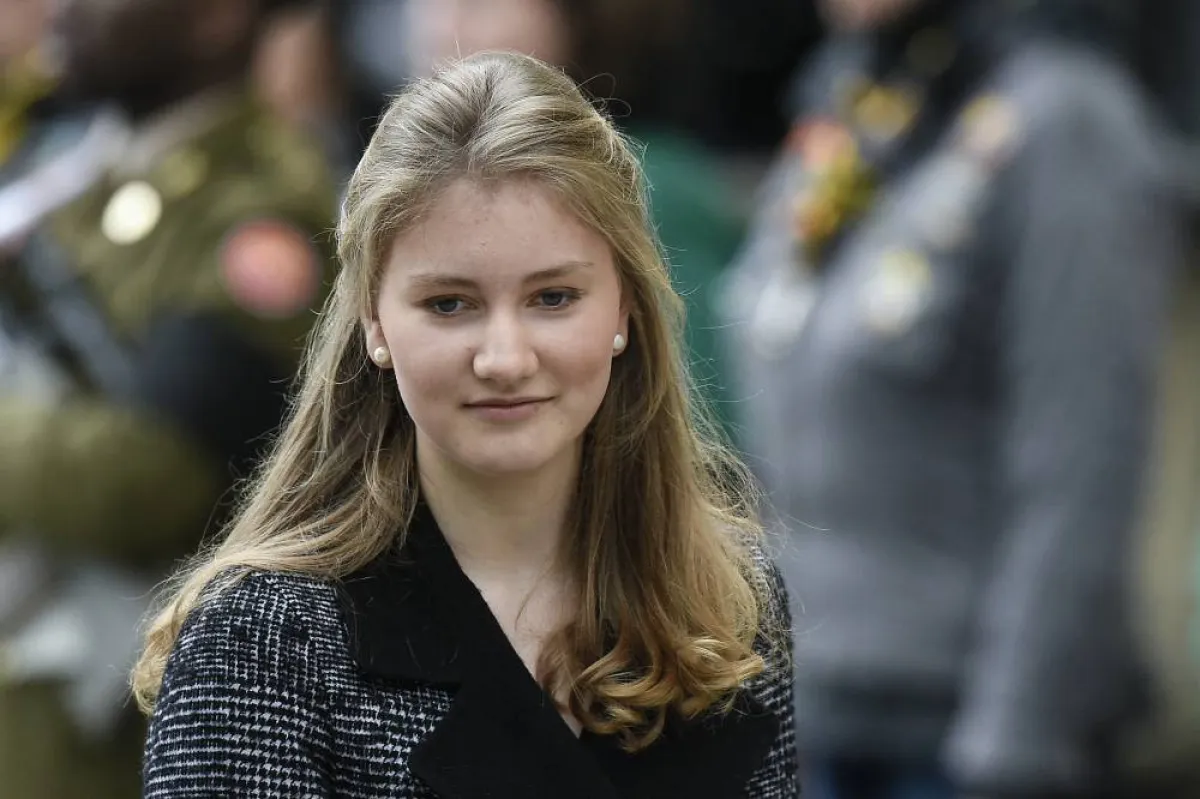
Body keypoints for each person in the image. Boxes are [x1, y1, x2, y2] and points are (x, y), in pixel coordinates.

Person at [135, 51, 799, 798]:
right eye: (450, 304)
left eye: (553, 297)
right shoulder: (263, 641)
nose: (505, 358)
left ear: (624, 308)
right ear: (373, 322)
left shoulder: (725, 598)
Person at [720, 0, 1183, 797]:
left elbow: (1081, 471)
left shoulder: (1067, 122)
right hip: (804, 716)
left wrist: (1018, 748)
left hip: (965, 736)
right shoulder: (856, 106)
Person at [0, 0, 337, 795]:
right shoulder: (69, 165)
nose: (67, 10)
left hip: (113, 715)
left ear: (216, 18)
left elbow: (151, 477)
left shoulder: (262, 209)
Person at [402, 0, 747, 437]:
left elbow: (702, 424)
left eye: (480, 5)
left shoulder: (654, 186)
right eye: (446, 304)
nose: (444, 27)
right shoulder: (406, 184)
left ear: (572, 18)